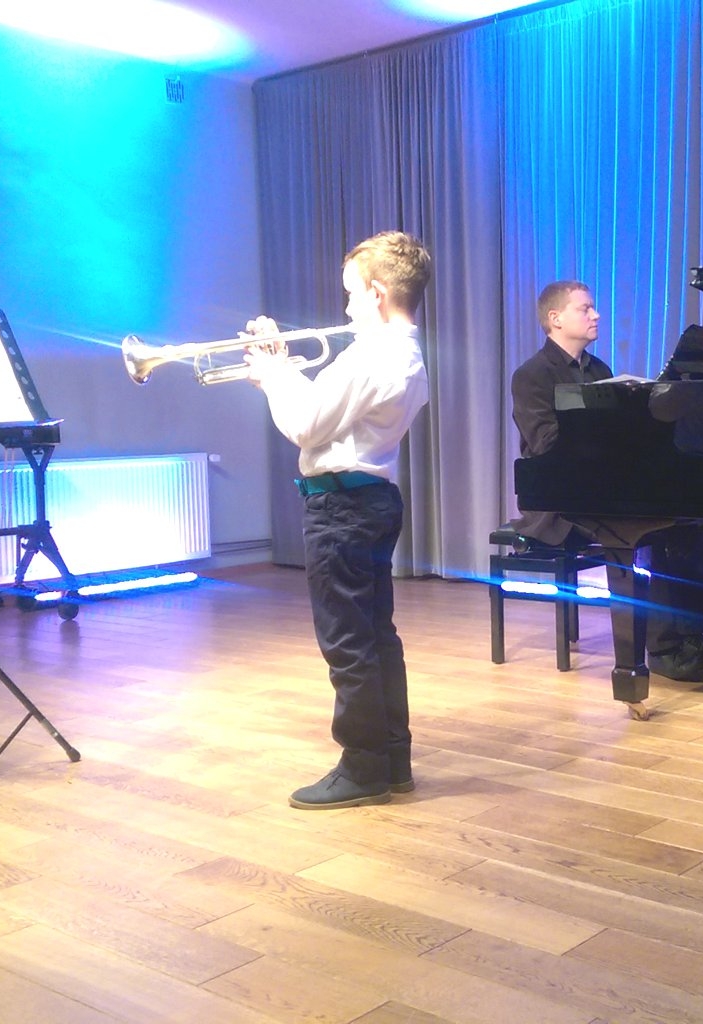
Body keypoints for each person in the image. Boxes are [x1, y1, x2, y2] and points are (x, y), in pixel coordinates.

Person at [241, 230, 432, 809]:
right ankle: (391, 759)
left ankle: (363, 768)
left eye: (351, 293)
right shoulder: (400, 353)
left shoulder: (374, 354)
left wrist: (273, 374)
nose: (346, 306)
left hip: (342, 509)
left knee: (348, 644)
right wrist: (281, 368)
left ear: (376, 293)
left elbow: (304, 426)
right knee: (375, 637)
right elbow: (328, 418)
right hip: (368, 501)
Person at [509, 280, 703, 682]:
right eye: (585, 309)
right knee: (649, 529)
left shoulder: (599, 370)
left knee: (687, 524)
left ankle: (691, 634)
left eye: (593, 308)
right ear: (555, 318)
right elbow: (545, 443)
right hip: (560, 499)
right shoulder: (532, 375)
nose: (596, 315)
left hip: (603, 487)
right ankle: (663, 649)